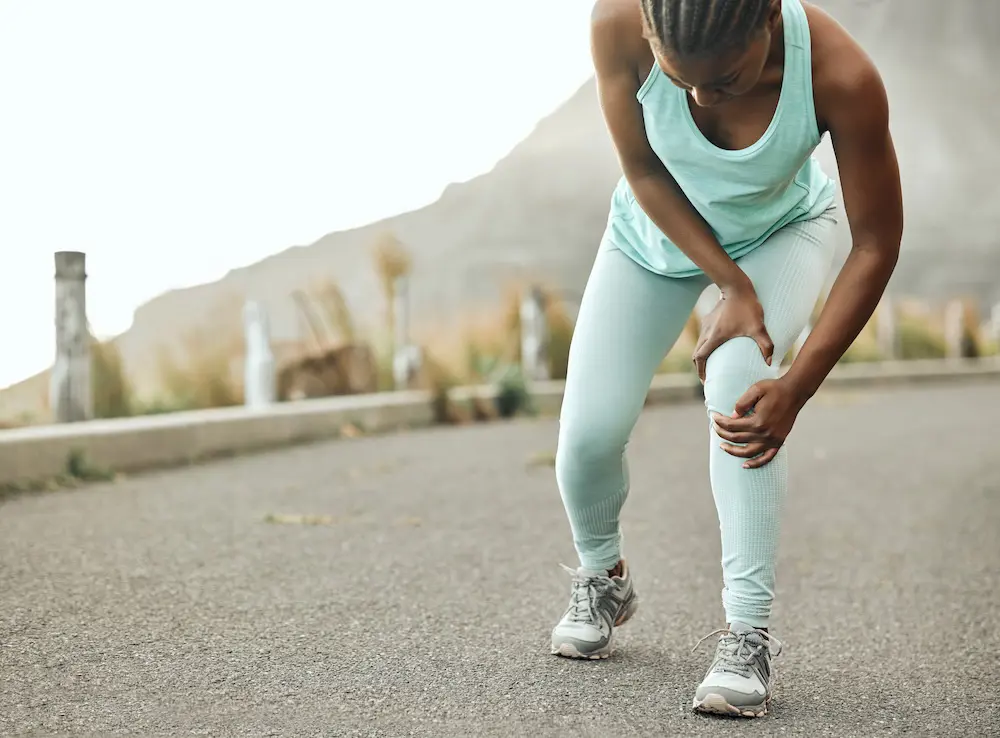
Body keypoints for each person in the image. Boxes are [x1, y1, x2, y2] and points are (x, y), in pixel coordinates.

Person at [549, 0, 903, 718]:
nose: (704, 99)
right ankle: (602, 577)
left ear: (768, 17)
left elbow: (875, 243)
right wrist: (728, 284)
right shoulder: (615, 21)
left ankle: (747, 634)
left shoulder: (841, 74)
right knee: (587, 437)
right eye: (684, 83)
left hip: (783, 232)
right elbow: (645, 170)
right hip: (652, 238)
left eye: (727, 81)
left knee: (743, 390)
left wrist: (796, 387)